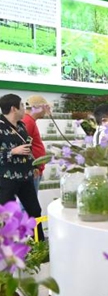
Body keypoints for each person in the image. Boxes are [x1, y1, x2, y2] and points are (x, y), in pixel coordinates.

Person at [0, 94, 44, 240]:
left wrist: (34, 166)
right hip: (7, 178)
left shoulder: (21, 126)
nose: (25, 109)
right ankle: (7, 248)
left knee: (34, 210)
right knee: (6, 215)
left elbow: (28, 149)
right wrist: (12, 151)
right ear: (14, 108)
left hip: (25, 176)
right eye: (22, 106)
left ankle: (39, 245)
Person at [22, 95, 50, 191]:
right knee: (29, 203)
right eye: (44, 108)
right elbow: (24, 146)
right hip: (33, 170)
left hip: (35, 168)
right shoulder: (28, 121)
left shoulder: (30, 121)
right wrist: (33, 167)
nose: (46, 111)